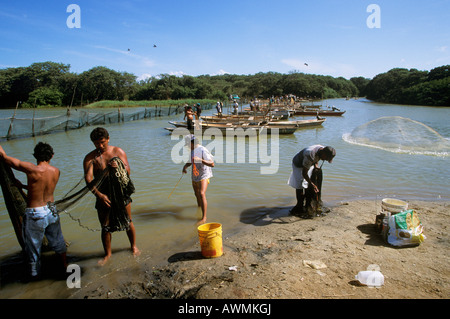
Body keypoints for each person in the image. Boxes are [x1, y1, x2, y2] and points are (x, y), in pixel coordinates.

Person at [0, 142, 67, 279]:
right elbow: (41, 188)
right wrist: (24, 186)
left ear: (35, 155)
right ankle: (65, 266)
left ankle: (34, 275)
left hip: (36, 213)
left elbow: (4, 157)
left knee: (33, 247)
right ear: (52, 155)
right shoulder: (56, 171)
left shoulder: (31, 169)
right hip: (51, 210)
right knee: (58, 241)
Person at [83, 127, 139, 265]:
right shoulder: (90, 158)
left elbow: (128, 171)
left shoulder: (117, 151)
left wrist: (118, 166)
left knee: (128, 221)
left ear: (108, 139)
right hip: (103, 194)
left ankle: (133, 247)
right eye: (96, 143)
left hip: (120, 193)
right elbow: (88, 179)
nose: (100, 146)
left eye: (102, 142)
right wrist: (100, 195)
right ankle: (108, 254)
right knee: (105, 226)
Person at [287, 145, 336, 218]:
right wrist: (312, 184)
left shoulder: (323, 150)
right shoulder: (310, 154)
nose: (325, 160)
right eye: (326, 158)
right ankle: (299, 205)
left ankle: (308, 203)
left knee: (308, 180)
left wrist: (316, 166)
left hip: (308, 162)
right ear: (323, 154)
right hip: (298, 164)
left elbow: (317, 158)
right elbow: (304, 173)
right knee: (300, 185)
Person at [182, 135, 214, 225]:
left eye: (188, 144)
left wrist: (200, 160)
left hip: (204, 174)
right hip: (195, 175)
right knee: (196, 194)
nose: (187, 146)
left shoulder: (203, 150)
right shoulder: (192, 151)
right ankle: (199, 208)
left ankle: (204, 218)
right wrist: (185, 166)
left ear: (192, 143)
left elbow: (212, 164)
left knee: (201, 193)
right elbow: (190, 161)